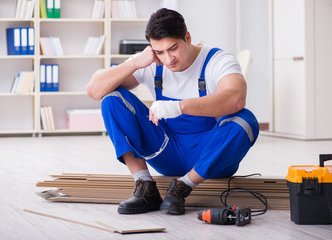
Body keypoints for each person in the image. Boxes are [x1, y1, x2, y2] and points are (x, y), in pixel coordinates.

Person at [86, 8, 259, 215]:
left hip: (210, 155)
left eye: (173, 48)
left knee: (246, 120)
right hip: (166, 151)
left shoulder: (217, 60)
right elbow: (94, 90)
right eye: (159, 52)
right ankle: (145, 187)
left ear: (187, 37)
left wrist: (178, 106)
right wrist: (135, 63)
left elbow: (235, 97)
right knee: (111, 100)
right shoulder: (152, 63)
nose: (168, 59)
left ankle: (183, 187)